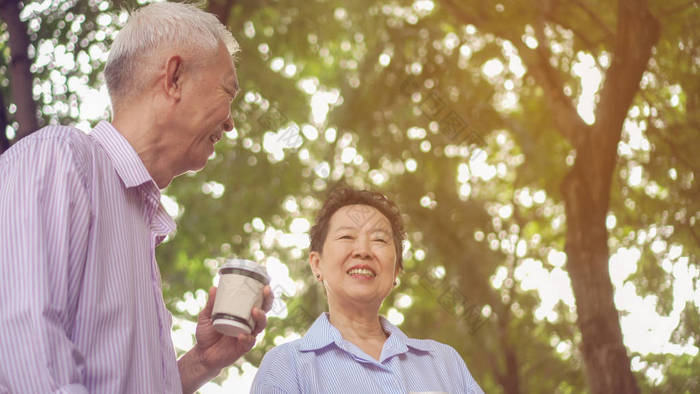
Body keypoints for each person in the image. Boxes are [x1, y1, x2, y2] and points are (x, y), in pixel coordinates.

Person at [0, 3, 272, 393]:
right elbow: (23, 351)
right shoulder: (60, 158)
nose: (230, 121)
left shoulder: (136, 222)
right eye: (228, 92)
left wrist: (200, 363)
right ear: (174, 78)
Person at [251, 186, 483, 393]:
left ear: (395, 273)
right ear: (317, 264)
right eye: (346, 236)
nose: (363, 250)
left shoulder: (443, 363)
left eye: (379, 240)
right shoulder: (285, 367)